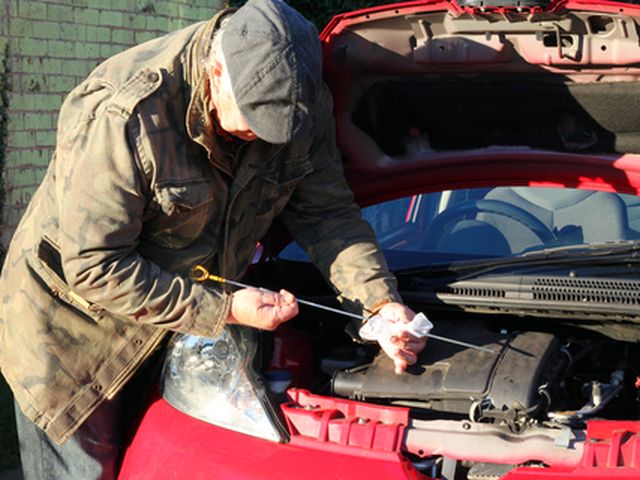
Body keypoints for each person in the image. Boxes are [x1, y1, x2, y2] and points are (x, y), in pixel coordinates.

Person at [0, 0, 427, 478]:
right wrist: (223, 310)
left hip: (180, 327)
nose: (260, 140)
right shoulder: (125, 114)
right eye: (251, 124)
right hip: (78, 342)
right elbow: (94, 264)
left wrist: (378, 302)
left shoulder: (302, 102)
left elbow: (327, 213)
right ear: (216, 71)